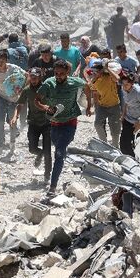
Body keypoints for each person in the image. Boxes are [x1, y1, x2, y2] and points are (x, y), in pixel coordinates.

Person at [35, 60, 91, 197]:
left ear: (67, 73)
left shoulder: (74, 82)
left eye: (61, 73)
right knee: (57, 147)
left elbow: (87, 86)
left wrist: (89, 105)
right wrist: (46, 107)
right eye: (56, 73)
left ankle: (52, 187)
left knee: (59, 154)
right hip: (54, 124)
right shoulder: (49, 83)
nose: (58, 76)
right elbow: (37, 100)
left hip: (70, 123)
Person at [12, 68, 52, 183]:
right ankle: (39, 153)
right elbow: (20, 104)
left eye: (35, 77)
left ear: (40, 77)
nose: (33, 80)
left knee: (48, 151)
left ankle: (47, 175)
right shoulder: (27, 90)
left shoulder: (47, 88)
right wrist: (15, 116)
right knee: (32, 148)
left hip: (47, 123)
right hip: (33, 122)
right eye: (31, 77)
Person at [87, 59, 122, 145]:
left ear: (101, 71)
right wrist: (95, 107)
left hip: (114, 106)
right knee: (97, 124)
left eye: (96, 71)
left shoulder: (109, 77)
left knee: (115, 129)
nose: (94, 73)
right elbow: (94, 93)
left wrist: (106, 68)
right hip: (102, 106)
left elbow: (117, 78)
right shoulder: (94, 80)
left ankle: (115, 146)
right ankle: (104, 144)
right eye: (93, 72)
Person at [120, 72, 140, 157]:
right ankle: (126, 158)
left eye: (127, 84)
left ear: (132, 83)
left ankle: (136, 160)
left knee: (136, 143)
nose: (124, 86)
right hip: (128, 118)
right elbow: (126, 103)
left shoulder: (139, 92)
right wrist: (123, 115)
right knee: (124, 142)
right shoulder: (124, 89)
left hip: (138, 121)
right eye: (123, 84)